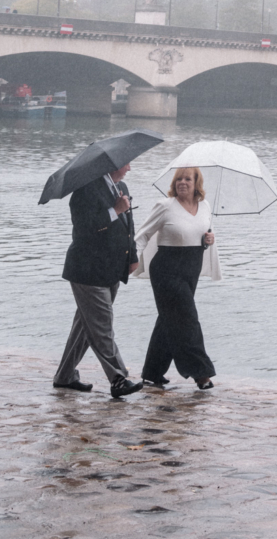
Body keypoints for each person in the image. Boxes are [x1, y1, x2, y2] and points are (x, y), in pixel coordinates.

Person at [53, 161, 144, 398]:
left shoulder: (120, 186)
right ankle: (118, 378)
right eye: (126, 164)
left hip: (112, 268)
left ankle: (64, 376)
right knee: (102, 325)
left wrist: (132, 256)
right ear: (112, 164)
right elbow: (84, 228)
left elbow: (128, 227)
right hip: (87, 269)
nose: (129, 169)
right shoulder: (85, 189)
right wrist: (115, 210)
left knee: (86, 326)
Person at [134, 166, 219, 391]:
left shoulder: (205, 206)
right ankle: (201, 373)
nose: (182, 182)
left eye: (187, 179)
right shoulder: (165, 206)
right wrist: (130, 259)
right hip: (166, 269)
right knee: (187, 318)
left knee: (168, 319)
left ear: (196, 183)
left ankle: (152, 373)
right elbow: (143, 234)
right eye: (179, 179)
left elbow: (204, 232)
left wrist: (209, 238)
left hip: (192, 268)